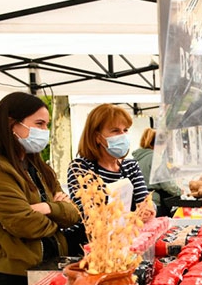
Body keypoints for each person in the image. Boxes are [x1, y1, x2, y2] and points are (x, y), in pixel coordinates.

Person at [0, 92, 80, 285]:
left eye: (46, 125)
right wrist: (59, 218)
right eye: (39, 123)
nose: (44, 131)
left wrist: (48, 209)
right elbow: (23, 223)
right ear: (12, 124)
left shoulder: (37, 166)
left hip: (47, 271)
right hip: (12, 278)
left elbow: (73, 212)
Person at [65, 104, 156, 254]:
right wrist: (131, 216)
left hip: (128, 246)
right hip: (93, 249)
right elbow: (88, 214)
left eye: (125, 130)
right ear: (97, 136)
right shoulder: (81, 168)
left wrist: (148, 210)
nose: (122, 135)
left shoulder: (130, 166)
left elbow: (144, 201)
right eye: (115, 131)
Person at [132, 127, 181, 217]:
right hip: (154, 204)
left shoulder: (136, 157)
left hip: (138, 203)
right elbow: (166, 184)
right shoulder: (155, 158)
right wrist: (179, 192)